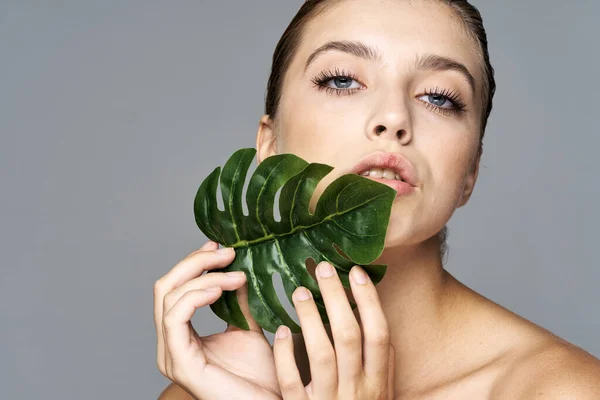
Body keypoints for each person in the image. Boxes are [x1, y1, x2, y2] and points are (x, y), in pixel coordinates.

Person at [153, 0, 600, 398]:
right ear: (269, 147)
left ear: (470, 172)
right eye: (343, 80)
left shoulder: (561, 390)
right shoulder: (211, 391)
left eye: (439, 98)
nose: (393, 118)